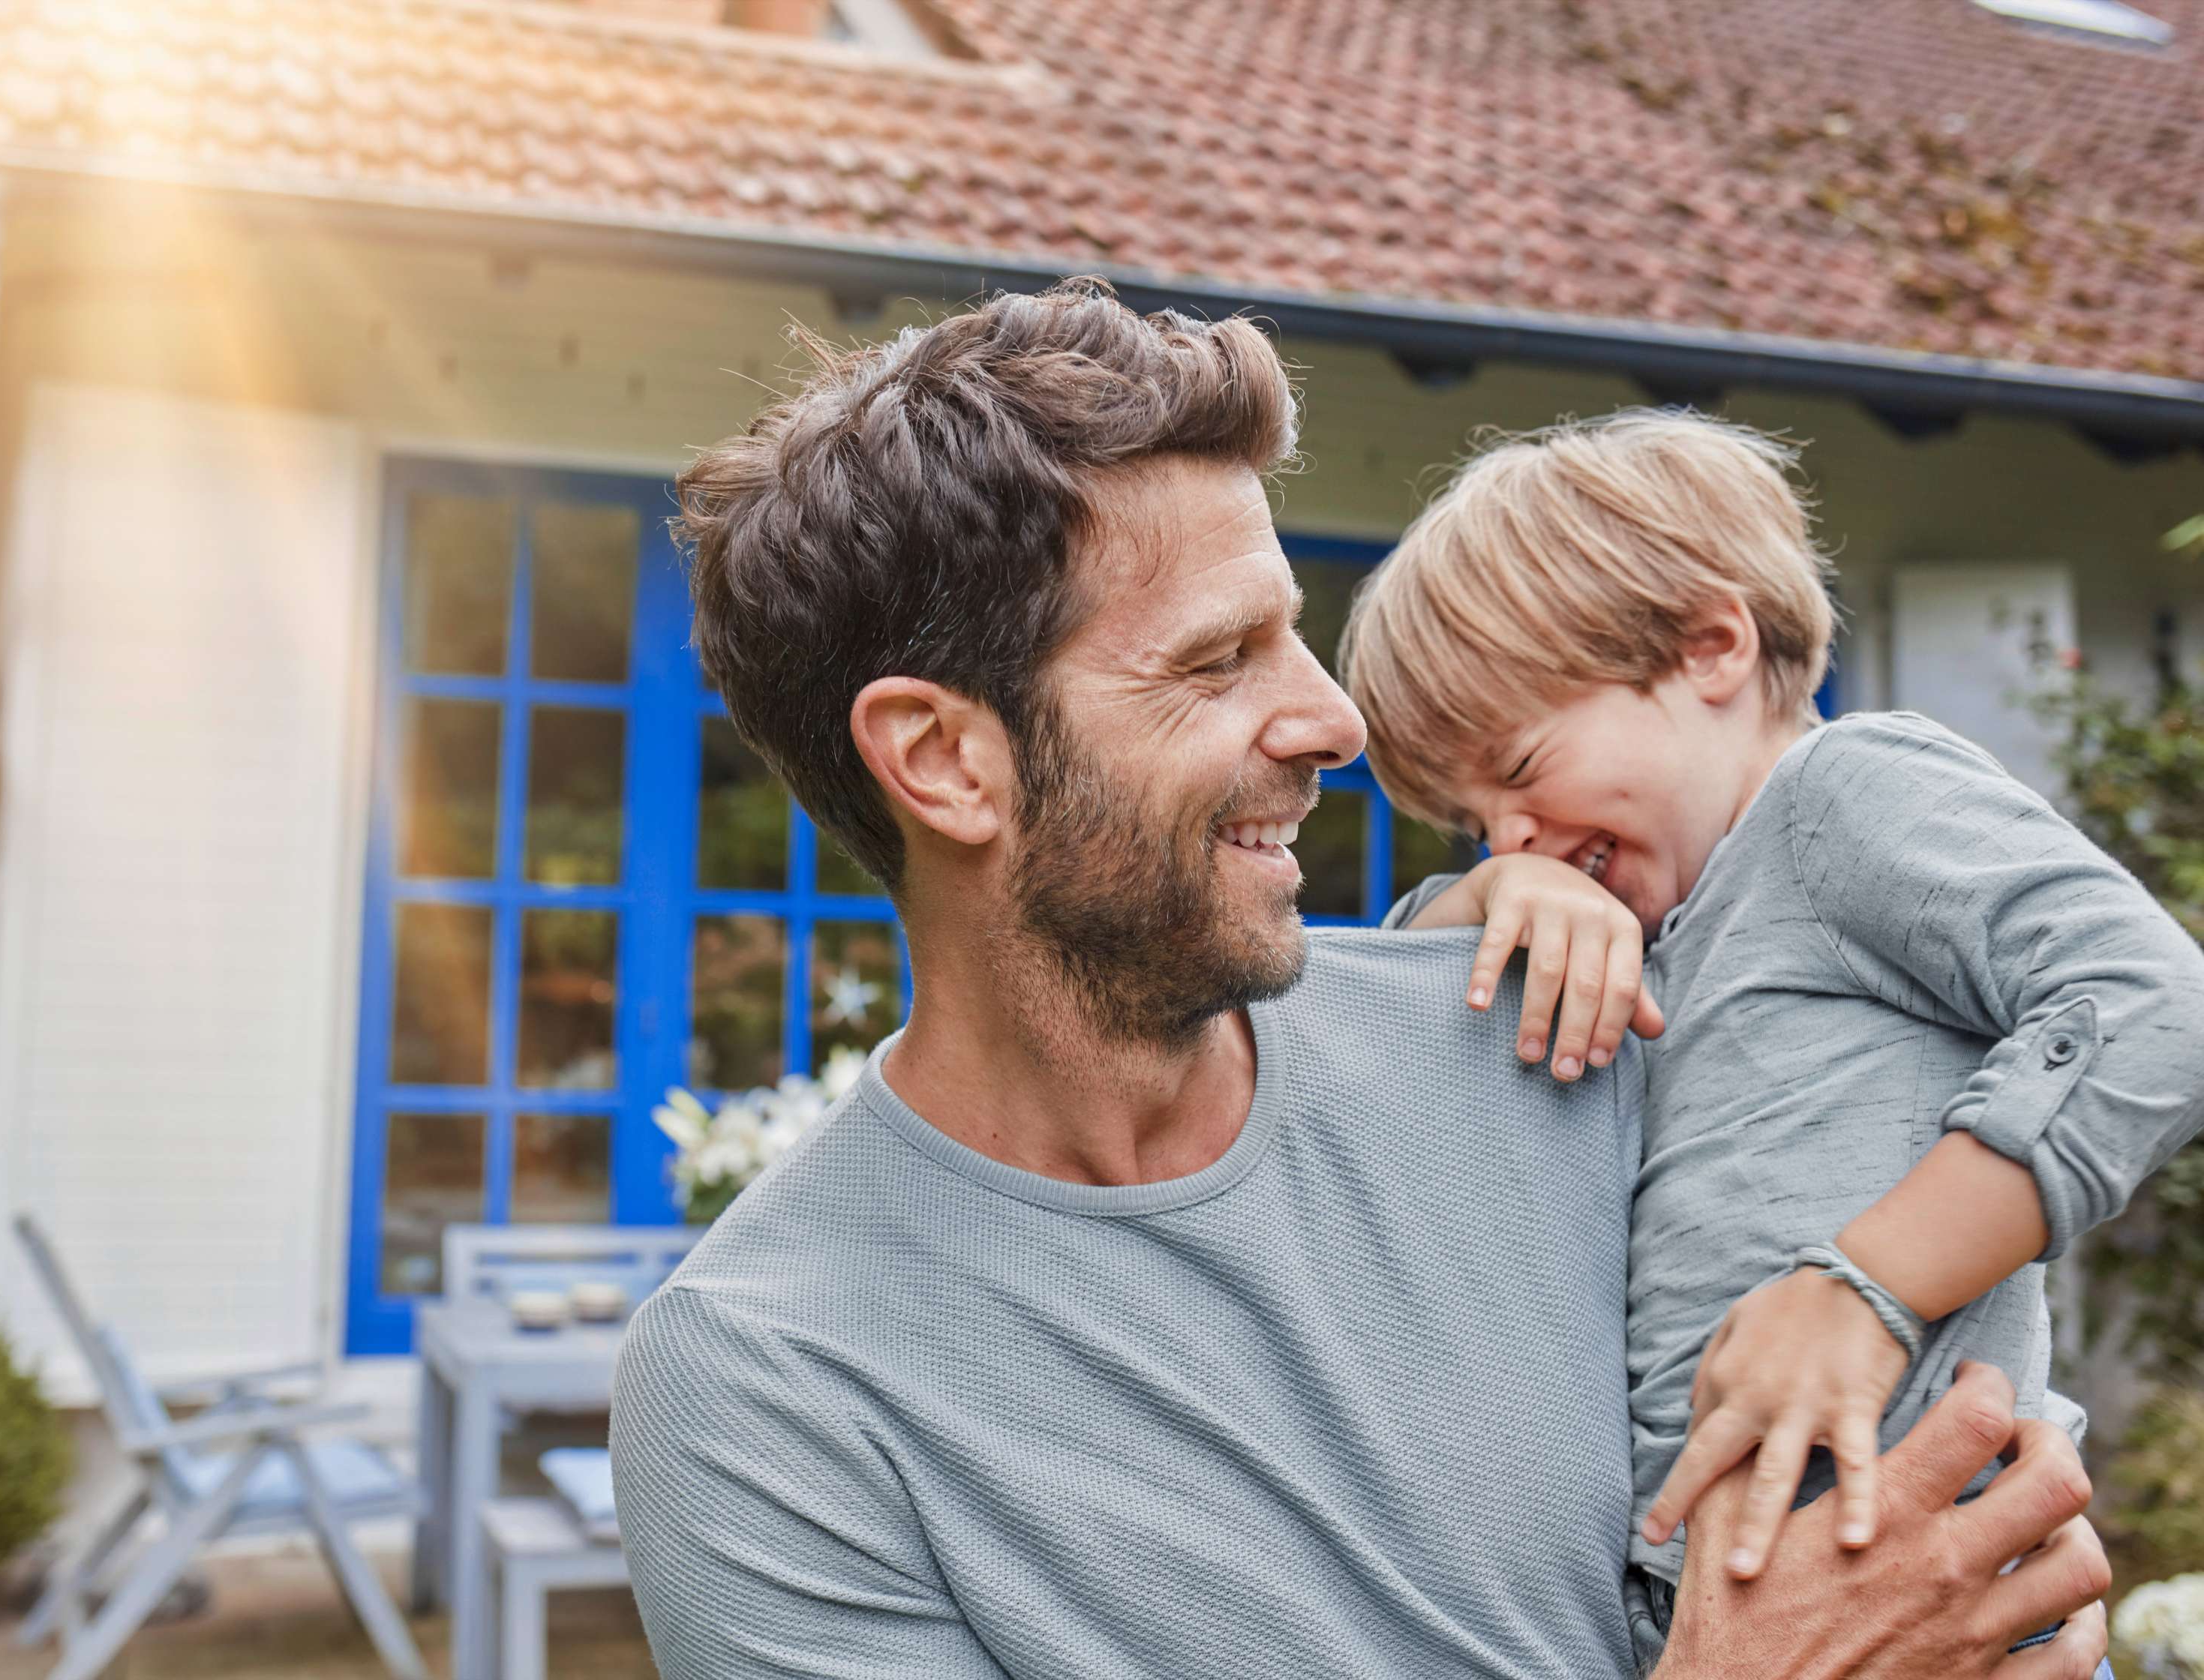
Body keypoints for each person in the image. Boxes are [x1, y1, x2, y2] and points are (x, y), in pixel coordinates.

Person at [610, 281, 2111, 1678]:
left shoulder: (1550, 1028)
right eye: (1220, 661)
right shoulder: (772, 1385)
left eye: (1298, 639)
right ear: (945, 760)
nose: (1331, 720)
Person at [1341, 408, 2204, 1667]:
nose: (1508, 837)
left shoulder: (1838, 801)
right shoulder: (1638, 930)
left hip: (1930, 1584)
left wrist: (1870, 1292)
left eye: (1523, 767)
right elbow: (1387, 1015)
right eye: (1474, 825)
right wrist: (1485, 901)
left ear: (1709, 646)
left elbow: (2151, 1004)